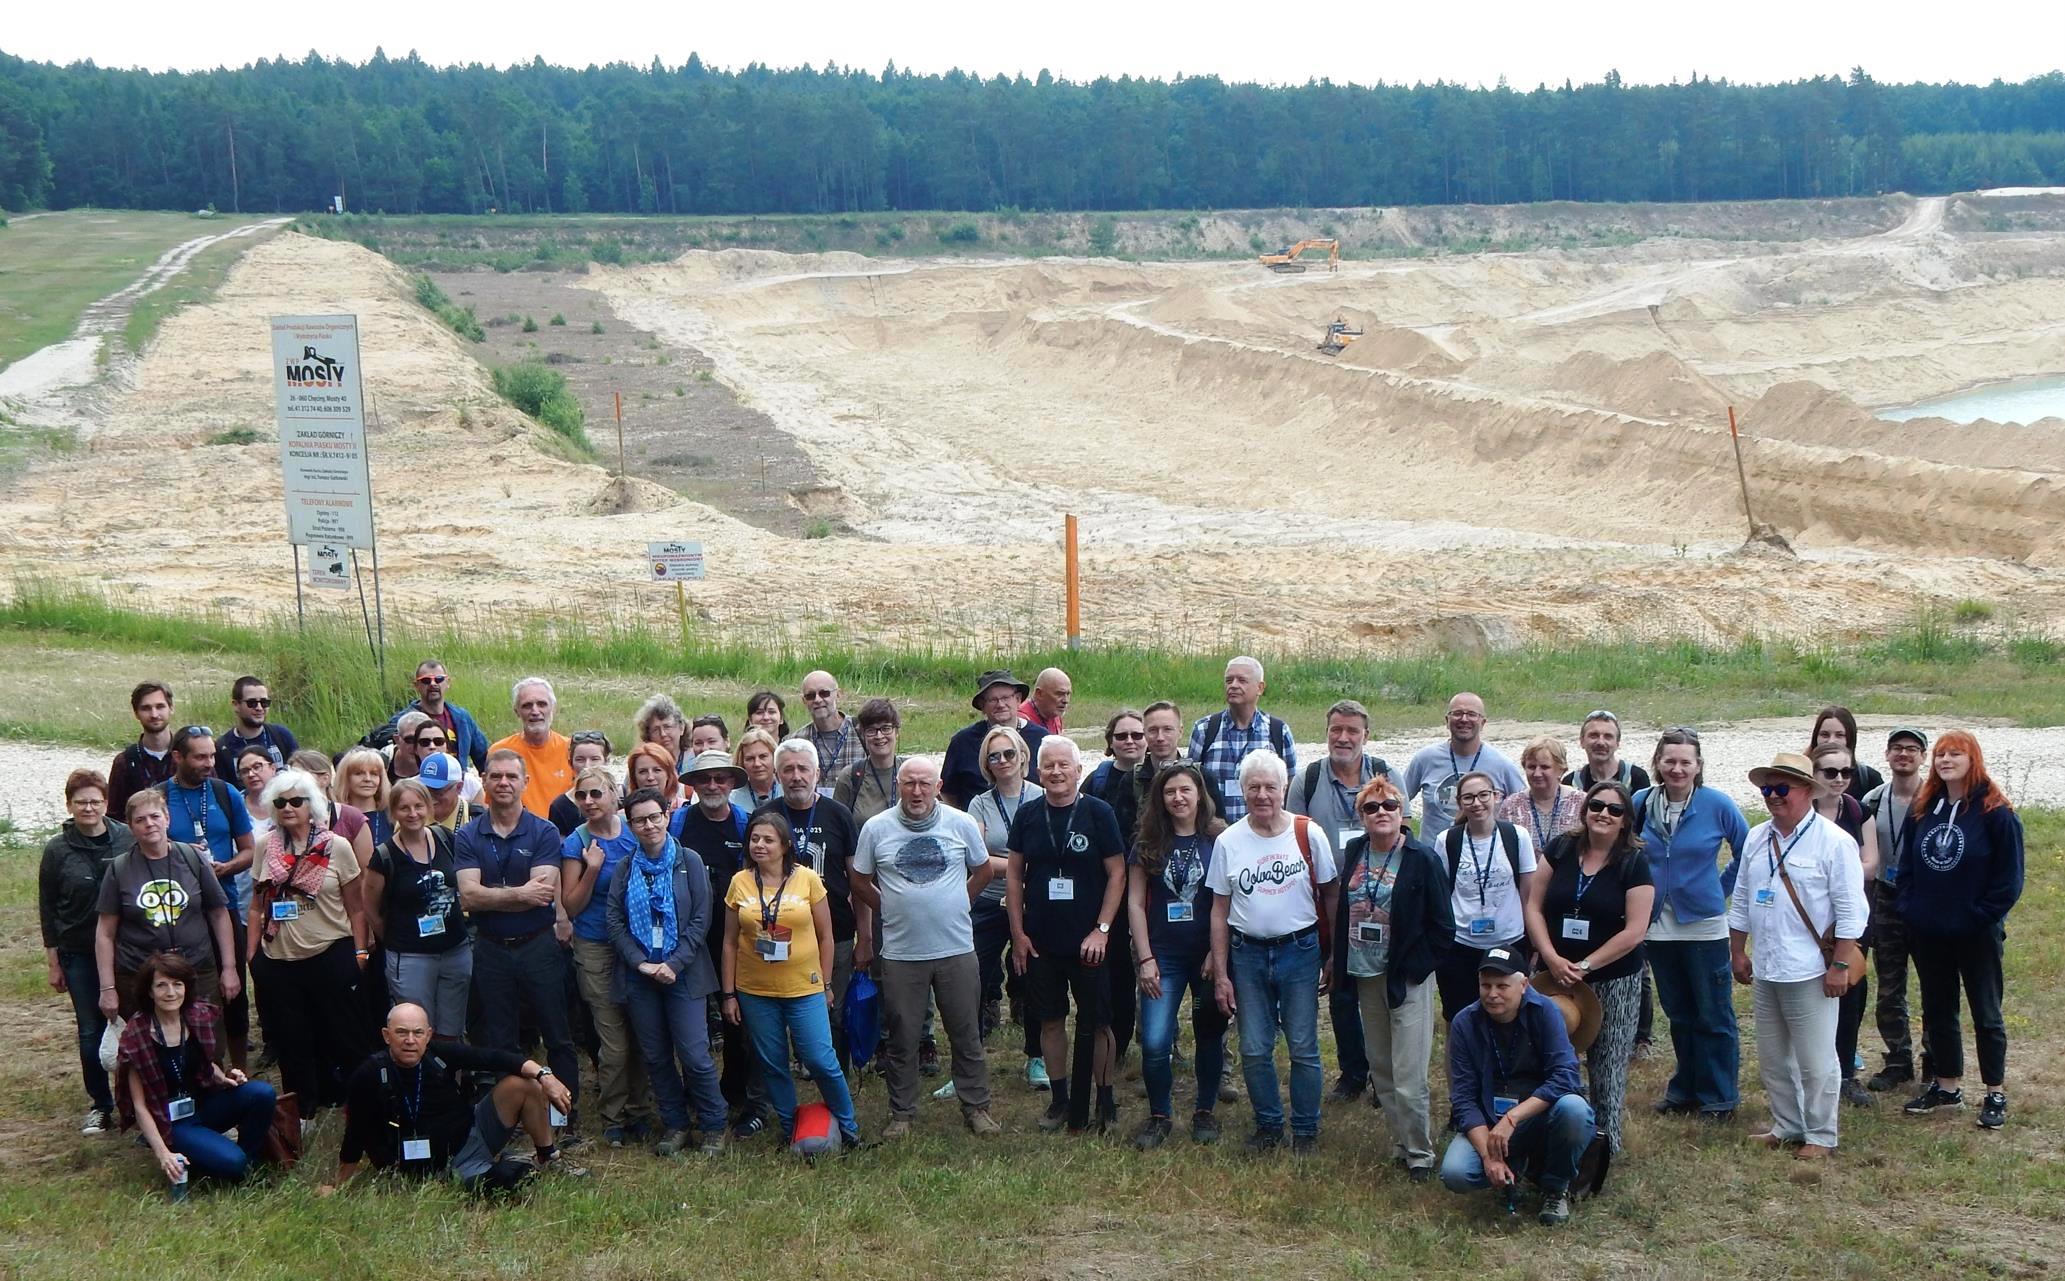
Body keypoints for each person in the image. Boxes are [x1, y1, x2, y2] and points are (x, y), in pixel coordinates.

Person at [852, 757, 1002, 1138]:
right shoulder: (876, 829)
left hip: (955, 948)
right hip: (902, 953)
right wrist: (887, 908)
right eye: (909, 784)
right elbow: (859, 879)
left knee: (966, 1031)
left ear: (938, 787)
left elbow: (983, 871)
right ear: (898, 786)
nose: (916, 792)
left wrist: (959, 902)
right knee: (902, 1036)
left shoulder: (961, 823)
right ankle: (902, 1113)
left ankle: (977, 1107)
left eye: (924, 784)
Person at [1728, 752, 1867, 1161]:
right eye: (1767, 789)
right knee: (1773, 1057)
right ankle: (1787, 1125)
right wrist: (1737, 949)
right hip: (1768, 965)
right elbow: (1740, 898)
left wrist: (1840, 964)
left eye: (1781, 788)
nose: (1772, 796)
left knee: (1816, 1060)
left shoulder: (1835, 842)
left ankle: (1821, 1135)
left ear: (1807, 791)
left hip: (1811, 969)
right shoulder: (1756, 837)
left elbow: (1852, 912)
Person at [1208, 751, 1339, 1154]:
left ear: (1285, 789)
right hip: (1247, 954)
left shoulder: (1308, 834)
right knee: (1254, 1047)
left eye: (1271, 787)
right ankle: (1268, 1125)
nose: (1262, 795)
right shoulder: (1229, 841)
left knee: (1303, 1045)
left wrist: (1333, 955)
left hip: (1299, 951)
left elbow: (1331, 894)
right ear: (1242, 791)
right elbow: (1219, 909)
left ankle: (1305, 1129)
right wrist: (1221, 971)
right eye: (1254, 788)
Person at [1898, 731, 2024, 1130]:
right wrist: (1912, 909)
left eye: (1955, 754)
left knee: (1985, 1012)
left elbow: (2009, 880)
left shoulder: (1996, 813)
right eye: (1939, 754)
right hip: (1930, 929)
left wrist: (1980, 915)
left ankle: (1995, 1091)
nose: (1945, 760)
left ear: (1973, 760)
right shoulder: (1924, 808)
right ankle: (1947, 1085)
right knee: (1938, 1009)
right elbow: (1906, 868)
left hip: (1976, 931)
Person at [325, 1002, 582, 1193]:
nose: (410, 1041)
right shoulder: (369, 1074)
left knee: (524, 1083)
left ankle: (547, 1156)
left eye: (417, 1033)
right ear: (386, 1035)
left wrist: (545, 1076)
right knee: (502, 1185)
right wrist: (339, 1186)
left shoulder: (438, 1054)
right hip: (416, 1167)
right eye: (402, 1032)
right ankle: (502, 1170)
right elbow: (355, 1133)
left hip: (468, 1140)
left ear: (428, 1034)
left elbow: (495, 1058)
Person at [1330, 776, 1451, 1177]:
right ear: (1360, 816)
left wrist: (1417, 970)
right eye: (1371, 807)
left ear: (1403, 813)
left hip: (1406, 979)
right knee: (1380, 1067)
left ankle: (1420, 1154)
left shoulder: (1422, 857)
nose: (1381, 813)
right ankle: (1400, 1142)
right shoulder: (1355, 851)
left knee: (1408, 1072)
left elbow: (1442, 928)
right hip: (1365, 974)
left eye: (1390, 807)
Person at [457, 750, 581, 1137]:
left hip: (538, 945)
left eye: (512, 776)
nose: (504, 783)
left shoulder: (543, 831)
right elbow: (467, 897)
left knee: (557, 1032)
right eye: (496, 776)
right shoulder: (468, 834)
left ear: (525, 782)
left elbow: (541, 894)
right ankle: (508, 1116)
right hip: (491, 947)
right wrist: (516, 893)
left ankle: (563, 1115)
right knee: (501, 1036)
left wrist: (492, 894)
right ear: (485, 782)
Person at [1525, 781, 1654, 1154]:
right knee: (1551, 1060)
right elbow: (1534, 906)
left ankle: (1602, 1152)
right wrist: (1549, 957)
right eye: (1597, 805)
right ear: (1584, 810)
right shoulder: (1562, 848)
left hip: (1613, 979)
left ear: (1626, 820)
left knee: (1607, 1068)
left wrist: (1584, 965)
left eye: (1615, 810)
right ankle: (1554, 1142)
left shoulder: (1633, 862)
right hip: (1555, 977)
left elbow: (1635, 931)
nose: (1604, 814)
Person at [719, 812, 861, 1149]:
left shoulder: (808, 879)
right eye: (754, 839)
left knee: (819, 1059)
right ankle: (789, 1127)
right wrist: (729, 994)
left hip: (804, 987)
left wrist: (825, 983)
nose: (760, 846)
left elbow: (828, 936)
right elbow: (728, 942)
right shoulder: (740, 881)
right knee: (772, 1062)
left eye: (768, 840)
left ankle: (848, 1126)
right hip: (755, 990)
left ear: (785, 845)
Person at [1009, 735, 1127, 1134]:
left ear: (1079, 770)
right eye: (1049, 766)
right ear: (1037, 771)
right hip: (1041, 940)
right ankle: (1060, 1100)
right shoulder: (1027, 815)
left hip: (1089, 940)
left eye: (1064, 765)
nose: (1056, 772)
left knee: (1099, 1022)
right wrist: (1018, 933)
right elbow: (1013, 875)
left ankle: (1104, 1097)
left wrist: (1102, 929)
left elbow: (1117, 873)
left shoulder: (1098, 813)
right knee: (1050, 1020)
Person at [1287, 698, 1401, 1103]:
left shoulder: (1387, 775)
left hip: (1382, 902)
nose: (1343, 737)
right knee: (1341, 989)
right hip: (1331, 903)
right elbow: (1290, 840)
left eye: (1352, 730)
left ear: (1366, 736)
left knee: (1382, 988)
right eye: (1337, 729)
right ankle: (1353, 1072)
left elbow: (1403, 836)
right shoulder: (1309, 778)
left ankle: (1382, 1076)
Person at [1636, 727, 1750, 1122]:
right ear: (1658, 763)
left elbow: (1746, 848)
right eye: (1670, 760)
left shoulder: (1716, 804)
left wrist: (1720, 889)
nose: (1677, 768)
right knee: (1680, 1013)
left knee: (1713, 1014)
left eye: (1686, 761)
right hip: (1657, 928)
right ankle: (1685, 1088)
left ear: (1698, 766)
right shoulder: (1641, 803)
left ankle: (1720, 1096)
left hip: (1703, 926)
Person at [1439, 949, 1596, 1226]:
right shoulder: (1465, 1022)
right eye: (1486, 986)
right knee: (1455, 1173)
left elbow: (1565, 1078)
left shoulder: (1546, 1012)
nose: (1492, 994)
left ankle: (1555, 1187)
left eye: (1502, 986)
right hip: (1489, 1122)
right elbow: (1463, 1099)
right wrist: (1489, 1157)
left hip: (1538, 1116)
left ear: (1523, 985)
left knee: (1575, 1110)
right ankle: (1509, 1169)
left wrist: (1513, 1118)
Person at [610, 788, 727, 1156]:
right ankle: (675, 1124)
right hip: (641, 975)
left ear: (666, 816)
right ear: (630, 825)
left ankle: (713, 1124)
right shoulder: (626, 867)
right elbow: (613, 919)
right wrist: (640, 962)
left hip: (685, 973)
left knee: (694, 1054)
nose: (648, 825)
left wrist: (673, 964)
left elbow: (701, 919)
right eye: (639, 820)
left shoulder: (689, 860)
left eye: (654, 817)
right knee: (657, 1056)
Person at [249, 767, 370, 1114]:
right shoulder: (264, 847)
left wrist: (360, 952)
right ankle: (302, 1109)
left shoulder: (337, 846)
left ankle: (360, 1103)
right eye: (281, 802)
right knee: (292, 1040)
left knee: (345, 1035)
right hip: (280, 959)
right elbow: (256, 906)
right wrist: (252, 954)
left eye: (296, 801)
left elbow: (356, 907)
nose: (288, 808)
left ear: (311, 804)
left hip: (331, 952)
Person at [1127, 761, 1232, 1148]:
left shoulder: (1219, 839)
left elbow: (1228, 901)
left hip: (1206, 956)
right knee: (1155, 1042)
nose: (1178, 798)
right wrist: (1145, 958)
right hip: (1163, 957)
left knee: (1209, 1035)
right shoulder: (1148, 843)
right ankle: (1159, 1115)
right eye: (1170, 792)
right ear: (1160, 798)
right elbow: (1135, 904)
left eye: (1186, 790)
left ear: (1199, 794)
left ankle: (1204, 1110)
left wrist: (1216, 955)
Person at [115, 952, 277, 1192]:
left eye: (177, 984)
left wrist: (226, 1078)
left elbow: (205, 1065)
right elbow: (140, 1105)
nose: (171, 993)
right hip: (172, 1121)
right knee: (233, 1162)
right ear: (149, 991)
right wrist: (163, 1154)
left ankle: (249, 1164)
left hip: (204, 1104)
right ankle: (222, 1162)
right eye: (161, 985)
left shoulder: (196, 1015)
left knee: (262, 1093)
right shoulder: (137, 1033)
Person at [559, 763, 655, 1146]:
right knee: (613, 1040)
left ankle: (641, 1110)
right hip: (596, 945)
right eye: (581, 795)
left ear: (615, 795)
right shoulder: (575, 842)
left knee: (642, 1032)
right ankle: (613, 1115)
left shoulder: (636, 833)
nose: (587, 802)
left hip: (638, 947)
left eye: (596, 794)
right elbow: (572, 904)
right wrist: (590, 870)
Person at [760, 740, 870, 1060]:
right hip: (779, 936)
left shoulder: (838, 815)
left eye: (803, 768)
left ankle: (834, 1069)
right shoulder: (765, 816)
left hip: (833, 934)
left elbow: (858, 881)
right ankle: (791, 1062)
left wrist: (866, 935)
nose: (796, 776)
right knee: (780, 1007)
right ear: (777, 775)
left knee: (831, 1005)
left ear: (817, 773)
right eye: (788, 769)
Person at [41, 769, 136, 1134]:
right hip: (78, 952)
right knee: (91, 1030)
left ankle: (136, 1100)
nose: (89, 808)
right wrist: (53, 960)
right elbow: (47, 906)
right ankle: (101, 1105)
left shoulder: (126, 839)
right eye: (81, 802)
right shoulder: (56, 850)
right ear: (69, 805)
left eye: (95, 801)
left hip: (126, 950)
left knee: (134, 1024)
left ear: (106, 803)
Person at [671, 751, 760, 1139]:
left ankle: (736, 1087)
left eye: (720, 779)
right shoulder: (678, 822)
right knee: (692, 1018)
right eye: (704, 779)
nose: (712, 786)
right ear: (692, 784)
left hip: (733, 935)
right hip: (688, 935)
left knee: (735, 1015)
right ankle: (694, 1088)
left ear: (731, 784)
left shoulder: (744, 823)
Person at [158, 725, 256, 1065]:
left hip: (223, 905)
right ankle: (190, 1065)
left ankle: (239, 1068)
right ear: (177, 757)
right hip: (178, 911)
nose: (209, 763)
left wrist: (224, 868)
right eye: (200, 757)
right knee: (181, 989)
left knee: (233, 991)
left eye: (212, 755)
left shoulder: (224, 793)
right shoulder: (159, 797)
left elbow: (249, 850)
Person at [96, 789, 239, 1018]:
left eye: (155, 816)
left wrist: (229, 968)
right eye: (140, 820)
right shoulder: (119, 869)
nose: (149, 824)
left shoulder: (193, 859)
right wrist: (108, 987)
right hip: (141, 974)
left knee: (206, 1044)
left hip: (196, 968)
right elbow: (105, 932)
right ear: (131, 827)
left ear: (167, 819)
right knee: (149, 1046)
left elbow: (218, 914)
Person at [364, 780, 471, 1036]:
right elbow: (369, 906)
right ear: (393, 812)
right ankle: (421, 1075)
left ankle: (451, 1075)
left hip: (455, 949)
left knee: (452, 1028)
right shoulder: (385, 855)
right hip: (411, 955)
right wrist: (391, 938)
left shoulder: (446, 839)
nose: (413, 814)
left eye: (418, 806)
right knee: (416, 1026)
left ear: (428, 807)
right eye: (404, 808)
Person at [1431, 770, 1539, 1024]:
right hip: (1462, 943)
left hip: (1509, 940)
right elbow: (1441, 893)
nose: (1477, 803)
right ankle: (1459, 1064)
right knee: (1458, 1018)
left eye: (1483, 795)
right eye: (1468, 798)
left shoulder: (1517, 836)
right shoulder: (1447, 840)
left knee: (1510, 1014)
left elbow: (1528, 892)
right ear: (1459, 803)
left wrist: (1533, 939)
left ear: (1496, 796)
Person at [967, 724, 1042, 1078]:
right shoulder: (979, 803)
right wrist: (1021, 868)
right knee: (975, 977)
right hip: (988, 900)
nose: (1002, 761)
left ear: (1023, 756)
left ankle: (1037, 1056)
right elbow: (977, 857)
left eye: (1009, 753)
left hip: (1034, 905)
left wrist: (1011, 869)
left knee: (1032, 978)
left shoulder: (1041, 797)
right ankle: (969, 1061)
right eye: (993, 756)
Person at [1808, 742, 1877, 1108]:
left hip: (1851, 919)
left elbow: (1872, 864)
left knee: (1851, 994)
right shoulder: (1803, 810)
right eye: (1829, 772)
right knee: (1809, 994)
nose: (1838, 779)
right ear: (1813, 774)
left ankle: (1846, 1072)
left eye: (1845, 772)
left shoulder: (1857, 810)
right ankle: (1813, 1069)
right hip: (1810, 921)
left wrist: (1832, 873)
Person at [1862, 728, 1931, 1093]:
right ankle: (1898, 1060)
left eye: (1912, 749)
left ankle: (1934, 1060)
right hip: (1887, 898)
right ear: (1887, 755)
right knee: (1890, 986)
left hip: (1926, 898)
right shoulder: (1872, 800)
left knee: (1935, 983)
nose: (1904, 755)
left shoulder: (1937, 798)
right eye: (1897, 749)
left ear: (1923, 757)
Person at [1187, 656, 1296, 825]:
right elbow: (1190, 783)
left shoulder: (1278, 731)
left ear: (1260, 688)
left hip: (1264, 834)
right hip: (1214, 835)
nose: (1233, 685)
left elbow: (1290, 787)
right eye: (1229, 680)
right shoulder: (1204, 730)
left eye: (1242, 680)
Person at [1402, 692, 1526, 840]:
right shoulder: (1424, 759)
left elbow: (1524, 810)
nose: (1464, 719)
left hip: (1484, 857)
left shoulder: (1503, 765)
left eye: (1472, 714)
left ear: (1483, 722)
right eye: (1457, 713)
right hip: (1433, 858)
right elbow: (1397, 801)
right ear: (1447, 720)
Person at [942, 670, 1048, 810]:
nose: (1000, 704)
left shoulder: (1042, 738)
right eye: (993, 700)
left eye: (1006, 698)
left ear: (1018, 700)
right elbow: (947, 792)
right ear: (982, 706)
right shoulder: (962, 742)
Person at [387, 659, 490, 776]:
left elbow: (483, 758)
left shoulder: (462, 718)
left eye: (439, 679)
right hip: (420, 786)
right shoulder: (404, 721)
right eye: (426, 680)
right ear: (416, 686)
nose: (433, 684)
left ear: (448, 682)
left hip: (457, 785)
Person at [490, 677, 573, 819]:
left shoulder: (572, 750)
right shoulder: (499, 751)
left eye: (542, 704)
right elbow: (492, 805)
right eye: (527, 705)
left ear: (553, 708)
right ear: (517, 711)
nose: (535, 711)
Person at [1500, 737, 1587, 852]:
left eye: (1544, 767)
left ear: (1561, 769)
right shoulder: (1511, 805)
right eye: (1531, 767)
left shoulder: (1581, 802)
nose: (1537, 773)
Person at [833, 697, 906, 825]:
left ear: (897, 732)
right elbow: (837, 825)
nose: (879, 736)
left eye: (886, 728)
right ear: (862, 734)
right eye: (871, 730)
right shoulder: (850, 777)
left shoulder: (911, 772)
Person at [212, 676, 300, 783]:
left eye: (264, 703)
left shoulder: (281, 735)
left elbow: (299, 774)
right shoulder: (223, 747)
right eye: (252, 703)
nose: (259, 708)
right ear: (236, 705)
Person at [109, 681, 177, 816]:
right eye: (146, 708)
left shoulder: (188, 755)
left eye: (160, 706)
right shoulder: (124, 762)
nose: (154, 714)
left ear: (171, 708)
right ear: (136, 713)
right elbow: (114, 816)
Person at [800, 671, 865, 787]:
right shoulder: (797, 741)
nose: (817, 700)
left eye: (824, 693)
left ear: (838, 694)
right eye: (810, 696)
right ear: (804, 701)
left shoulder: (863, 732)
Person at [1808, 705, 1886, 803]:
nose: (1831, 741)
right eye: (1825, 734)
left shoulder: (1869, 778)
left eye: (1839, 735)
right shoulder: (1799, 775)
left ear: (1850, 739)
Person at [1565, 710, 1650, 793]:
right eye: (1594, 736)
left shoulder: (1636, 779)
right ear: (1582, 741)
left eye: (1608, 736)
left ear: (1617, 743)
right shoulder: (1571, 784)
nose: (1600, 742)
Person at [547, 731, 612, 837]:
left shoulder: (621, 797)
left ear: (606, 761)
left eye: (594, 759)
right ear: (570, 763)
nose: (587, 766)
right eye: (580, 759)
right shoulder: (560, 806)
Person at [337, 747, 393, 848]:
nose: (367, 779)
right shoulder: (335, 816)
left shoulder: (392, 815)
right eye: (359, 773)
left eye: (374, 774)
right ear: (345, 778)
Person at [625, 742, 685, 823]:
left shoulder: (685, 811)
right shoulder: (624, 819)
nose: (650, 777)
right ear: (634, 777)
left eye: (657, 770)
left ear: (668, 774)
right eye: (643, 771)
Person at [731, 727, 783, 811]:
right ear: (742, 761)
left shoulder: (787, 790)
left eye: (763, 756)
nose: (757, 764)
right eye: (750, 758)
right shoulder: (732, 799)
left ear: (775, 757)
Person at [419, 752, 472, 831]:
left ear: (459, 787)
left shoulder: (472, 818)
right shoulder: (410, 815)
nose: (429, 797)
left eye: (437, 791)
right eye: (425, 789)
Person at [635, 694, 689, 770]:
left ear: (681, 728)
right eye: (655, 730)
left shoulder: (696, 761)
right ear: (648, 735)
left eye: (667, 727)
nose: (663, 734)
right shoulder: (641, 766)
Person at [1021, 667, 1072, 735]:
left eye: (1068, 694)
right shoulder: (1022, 721)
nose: (1066, 700)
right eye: (1059, 694)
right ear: (1039, 694)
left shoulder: (1054, 714)